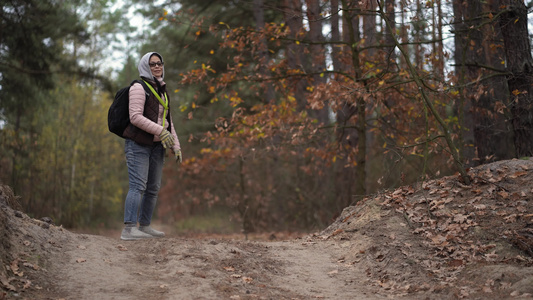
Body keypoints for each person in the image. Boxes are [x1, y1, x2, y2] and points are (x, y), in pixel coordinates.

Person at [120, 52, 182, 240]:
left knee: (153, 187)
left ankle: (144, 226)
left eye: (159, 63)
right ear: (145, 66)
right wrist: (160, 131)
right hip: (138, 144)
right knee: (138, 185)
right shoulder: (139, 88)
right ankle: (129, 229)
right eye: (152, 64)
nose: (157, 66)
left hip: (157, 146)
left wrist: (176, 146)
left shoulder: (163, 90)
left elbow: (168, 123)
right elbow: (135, 117)